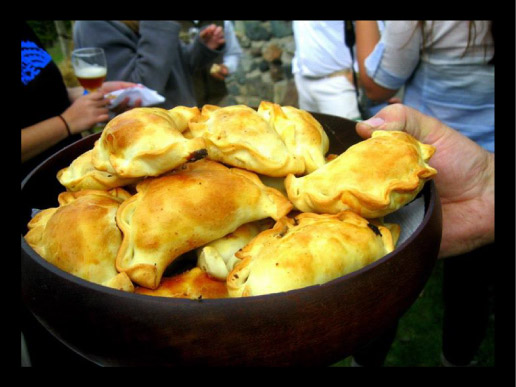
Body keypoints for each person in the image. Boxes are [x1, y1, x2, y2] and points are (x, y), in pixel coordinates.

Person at [353, 20, 495, 367]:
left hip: (416, 169)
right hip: (484, 163)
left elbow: (376, 85)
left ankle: (365, 361)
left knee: (388, 277)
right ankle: (458, 360)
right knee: (471, 289)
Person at [21, 21, 139, 180]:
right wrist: (66, 123)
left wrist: (88, 93)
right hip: (34, 180)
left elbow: (40, 95)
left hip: (69, 168)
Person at [73, 20, 226, 109]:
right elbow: (138, 90)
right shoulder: (94, 24)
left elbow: (178, 69)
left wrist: (202, 48)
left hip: (182, 123)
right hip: (151, 136)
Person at [291, 21, 361, 120]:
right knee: (310, 132)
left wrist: (358, 72)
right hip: (304, 80)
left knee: (348, 132)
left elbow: (376, 28)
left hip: (337, 83)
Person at [178, 20, 243, 107]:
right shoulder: (167, 24)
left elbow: (233, 53)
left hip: (217, 98)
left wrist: (227, 67)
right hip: (182, 102)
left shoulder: (223, 22)